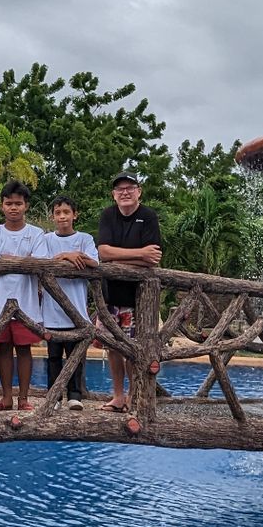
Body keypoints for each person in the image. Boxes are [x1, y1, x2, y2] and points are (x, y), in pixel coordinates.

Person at [96, 170, 162, 412]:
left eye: (129, 188)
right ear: (114, 194)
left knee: (134, 350)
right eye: (120, 189)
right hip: (110, 296)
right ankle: (118, 396)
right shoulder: (108, 215)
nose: (125, 192)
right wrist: (138, 254)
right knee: (112, 348)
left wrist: (118, 260)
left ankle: (134, 396)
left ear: (138, 192)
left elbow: (152, 258)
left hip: (139, 299)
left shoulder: (148, 216)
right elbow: (103, 253)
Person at [0, 181, 48, 411]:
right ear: (2, 206)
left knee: (24, 349)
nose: (13, 207)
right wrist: (23, 260)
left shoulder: (36, 233)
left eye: (18, 203)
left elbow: (38, 263)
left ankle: (23, 398)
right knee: (3, 348)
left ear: (26, 206)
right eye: (9, 203)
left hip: (27, 302)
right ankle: (6, 397)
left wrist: (7, 259)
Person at [35, 195, 100, 409]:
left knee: (75, 356)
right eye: (58, 213)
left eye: (66, 212)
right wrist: (66, 256)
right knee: (53, 357)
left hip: (76, 309)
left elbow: (94, 263)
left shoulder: (85, 238)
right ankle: (54, 396)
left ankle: (75, 395)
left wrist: (75, 256)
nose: (62, 216)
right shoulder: (46, 240)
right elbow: (42, 263)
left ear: (75, 215)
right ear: (52, 216)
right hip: (51, 310)